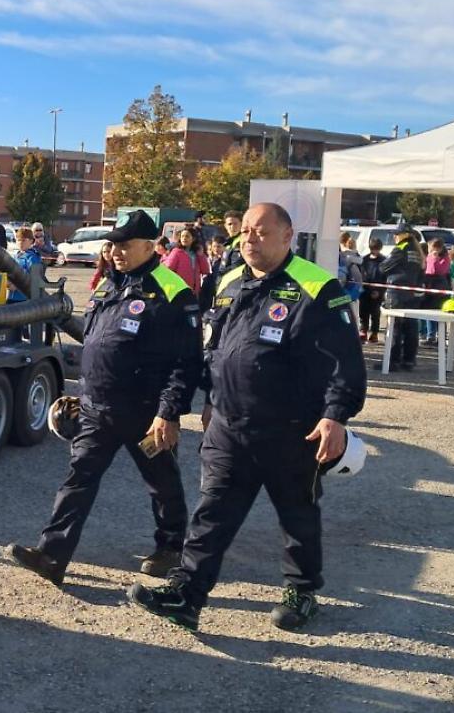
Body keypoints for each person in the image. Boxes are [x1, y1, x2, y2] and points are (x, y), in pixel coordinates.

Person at [128, 203, 366, 632]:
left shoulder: (319, 287)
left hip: (294, 431)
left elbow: (344, 362)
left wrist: (335, 415)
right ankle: (187, 594)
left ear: (288, 236)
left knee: (297, 514)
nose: (249, 239)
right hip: (228, 426)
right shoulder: (229, 281)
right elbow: (213, 346)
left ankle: (302, 590)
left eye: (261, 232)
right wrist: (202, 399)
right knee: (211, 512)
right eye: (246, 232)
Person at [2, 210, 201, 585]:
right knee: (78, 479)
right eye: (113, 245)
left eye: (125, 246)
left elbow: (186, 362)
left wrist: (169, 413)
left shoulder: (173, 292)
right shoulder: (108, 286)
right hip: (98, 410)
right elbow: (97, 343)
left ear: (149, 245)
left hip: (146, 413)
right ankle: (52, 556)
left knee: (162, 482)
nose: (117, 252)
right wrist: (82, 393)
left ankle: (171, 546)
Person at [380, 227, 424, 370]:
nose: (395, 238)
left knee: (394, 327)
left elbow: (384, 267)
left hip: (397, 291)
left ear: (404, 235)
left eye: (396, 235)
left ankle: (392, 361)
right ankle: (409, 360)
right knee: (411, 327)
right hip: (412, 292)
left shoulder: (401, 248)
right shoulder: (418, 251)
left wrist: (381, 266)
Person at [163, 228, 211, 296]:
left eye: (187, 236)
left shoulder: (196, 253)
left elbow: (205, 271)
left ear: (193, 239)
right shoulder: (176, 252)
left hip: (194, 291)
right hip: (179, 291)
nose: (184, 238)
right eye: (182, 236)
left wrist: (201, 255)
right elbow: (168, 270)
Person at [420, 239, 451, 345]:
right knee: (429, 311)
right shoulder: (428, 256)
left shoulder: (445, 258)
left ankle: (440, 336)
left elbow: (437, 270)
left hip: (439, 285)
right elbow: (426, 269)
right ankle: (430, 335)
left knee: (439, 311)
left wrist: (434, 259)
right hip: (428, 283)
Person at [360, 238, 386, 343]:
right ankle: (363, 331)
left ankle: (374, 333)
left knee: (375, 313)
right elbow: (361, 274)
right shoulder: (365, 259)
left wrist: (379, 291)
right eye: (373, 249)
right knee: (363, 312)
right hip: (365, 290)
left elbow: (385, 277)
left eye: (377, 249)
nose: (375, 251)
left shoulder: (383, 261)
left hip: (377, 291)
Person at [339, 232, 364, 336]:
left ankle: (347, 333)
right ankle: (354, 333)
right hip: (355, 291)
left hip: (345, 292)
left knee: (343, 313)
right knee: (354, 315)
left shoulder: (343, 257)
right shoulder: (357, 256)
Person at [7, 226, 41, 303]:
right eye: (18, 240)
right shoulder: (16, 256)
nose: (20, 243)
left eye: (23, 240)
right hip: (12, 296)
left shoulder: (33, 257)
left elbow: (35, 279)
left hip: (24, 298)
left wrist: (18, 286)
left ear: (31, 241)